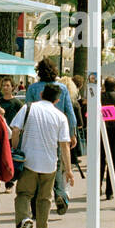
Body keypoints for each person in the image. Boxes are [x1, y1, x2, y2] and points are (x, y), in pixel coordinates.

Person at [10, 83, 73, 228]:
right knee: (44, 198)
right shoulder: (60, 117)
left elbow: (15, 130)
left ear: (42, 94)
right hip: (49, 163)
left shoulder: (28, 108)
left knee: (24, 194)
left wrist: (15, 148)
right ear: (57, 100)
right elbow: (64, 145)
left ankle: (25, 219)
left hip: (28, 160)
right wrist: (69, 170)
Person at [25, 58, 78, 216]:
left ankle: (35, 205)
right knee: (57, 167)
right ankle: (60, 195)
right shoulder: (62, 88)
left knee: (35, 169)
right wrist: (72, 134)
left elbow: (28, 111)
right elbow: (70, 113)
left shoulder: (33, 89)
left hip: (36, 135)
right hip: (57, 132)